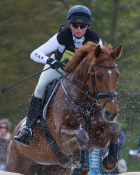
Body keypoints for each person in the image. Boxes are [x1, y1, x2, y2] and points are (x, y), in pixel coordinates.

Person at [14, 5, 103, 146]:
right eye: (75, 25)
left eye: (82, 26)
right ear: (70, 25)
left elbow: (102, 59)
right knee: (39, 88)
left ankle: (101, 123)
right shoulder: (62, 36)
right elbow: (35, 53)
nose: (79, 29)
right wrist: (50, 61)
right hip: (58, 68)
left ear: (87, 27)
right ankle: (28, 129)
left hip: (80, 76)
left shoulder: (95, 38)